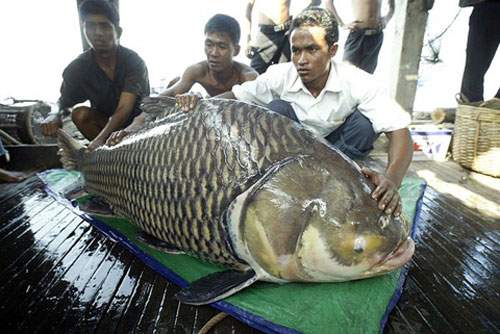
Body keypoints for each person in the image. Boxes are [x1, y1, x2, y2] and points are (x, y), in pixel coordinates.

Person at [180, 7, 413, 217]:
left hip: (340, 154)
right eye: (296, 50)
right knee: (276, 110)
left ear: (332, 50)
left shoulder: (357, 81)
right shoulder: (279, 75)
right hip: (294, 157)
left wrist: (392, 179)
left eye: (312, 50)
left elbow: (399, 131)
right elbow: (237, 96)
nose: (302, 60)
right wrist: (197, 105)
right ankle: (288, 186)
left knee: (365, 123)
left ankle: (345, 182)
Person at [106, 14, 257, 145]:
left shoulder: (247, 76)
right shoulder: (197, 71)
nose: (213, 53)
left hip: (237, 128)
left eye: (222, 46)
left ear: (236, 50)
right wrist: (129, 130)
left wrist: (199, 102)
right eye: (209, 44)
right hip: (207, 124)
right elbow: (158, 103)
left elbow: (252, 112)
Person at [41, 0, 150, 151]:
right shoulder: (77, 68)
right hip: (105, 126)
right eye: (90, 26)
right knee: (80, 114)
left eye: (104, 26)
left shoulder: (133, 61)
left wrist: (100, 140)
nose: (97, 33)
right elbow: (63, 102)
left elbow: (124, 109)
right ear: (84, 30)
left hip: (141, 126)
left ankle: (108, 151)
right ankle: (109, 158)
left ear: (118, 31)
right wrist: (54, 115)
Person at [324, 0, 394, 74]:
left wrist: (386, 19)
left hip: (376, 35)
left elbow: (391, 7)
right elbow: (328, 2)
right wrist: (341, 24)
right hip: (357, 34)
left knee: (365, 76)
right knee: (346, 72)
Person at [457, 0, 500, 109]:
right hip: (485, 6)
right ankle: (470, 106)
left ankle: (471, 105)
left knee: (475, 63)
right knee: (475, 63)